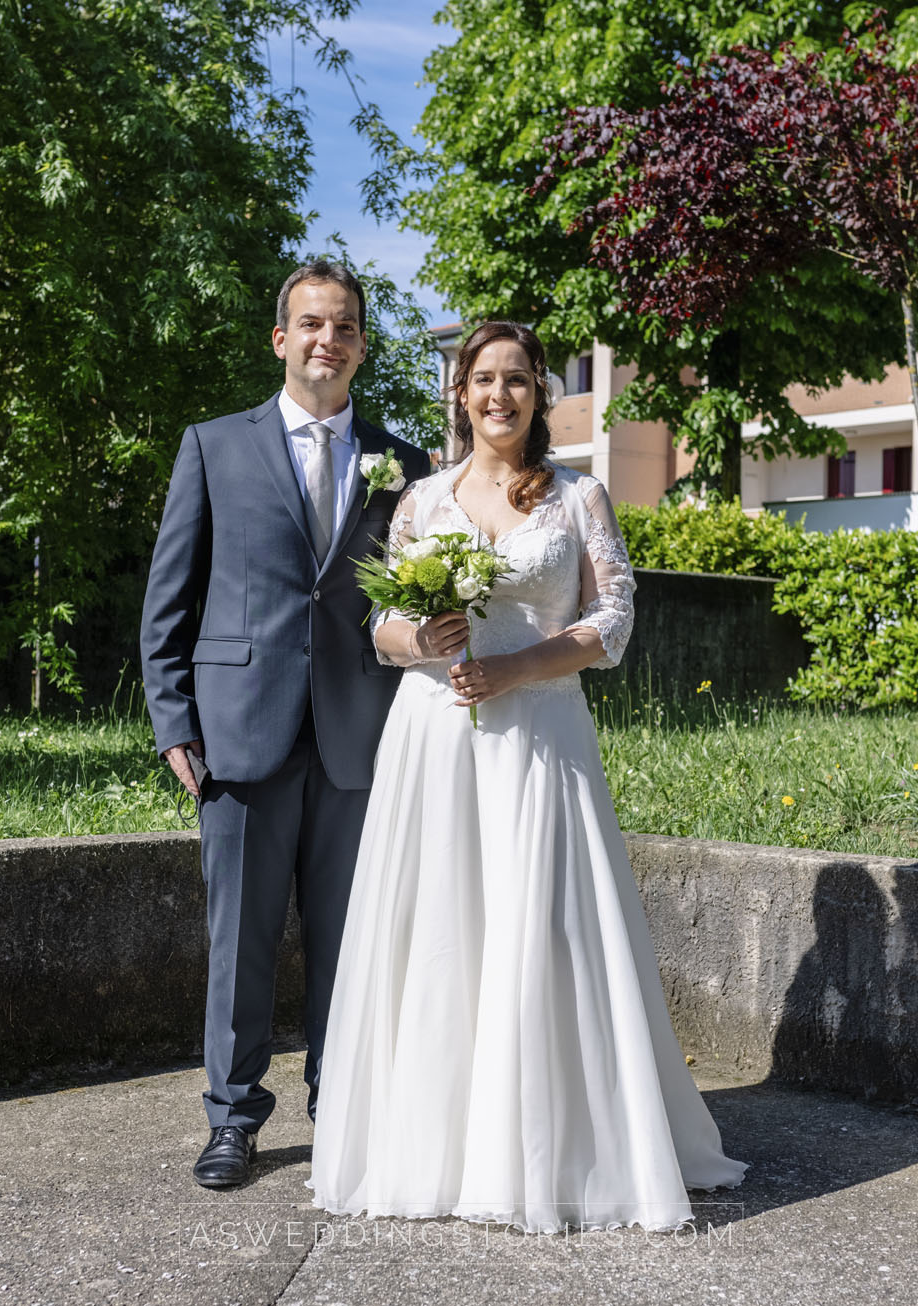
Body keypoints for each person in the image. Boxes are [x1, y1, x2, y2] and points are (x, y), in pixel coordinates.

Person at [307, 321, 747, 1232]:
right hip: (435, 744)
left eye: (517, 380)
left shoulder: (580, 496)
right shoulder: (421, 500)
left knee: (542, 930)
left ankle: (560, 1151)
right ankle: (438, 1148)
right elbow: (382, 627)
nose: (499, 395)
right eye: (482, 380)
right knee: (443, 932)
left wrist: (517, 668)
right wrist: (422, 639)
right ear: (460, 393)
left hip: (542, 738)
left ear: (540, 393)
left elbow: (614, 619)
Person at [140, 261, 431, 1190]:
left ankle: (342, 1108)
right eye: (310, 324)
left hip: (361, 736)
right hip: (240, 730)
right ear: (280, 338)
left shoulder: (407, 464)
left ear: (360, 344)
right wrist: (174, 721)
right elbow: (168, 603)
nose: (327, 341)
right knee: (243, 938)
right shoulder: (214, 446)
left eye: (344, 326)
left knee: (355, 939)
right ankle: (233, 1118)